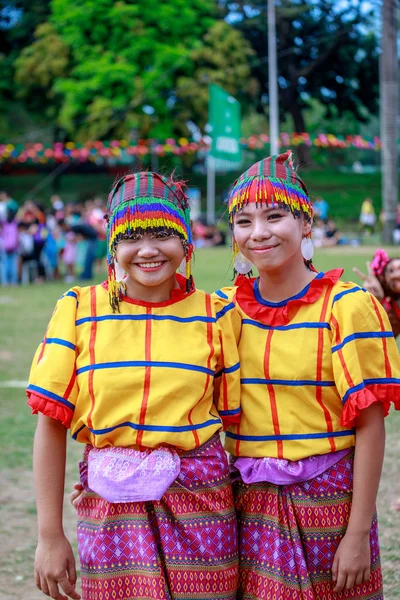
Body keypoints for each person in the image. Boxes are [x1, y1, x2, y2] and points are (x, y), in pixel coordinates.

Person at [27, 171, 240, 600]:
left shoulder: (218, 314)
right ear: (112, 246)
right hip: (110, 515)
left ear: (186, 242)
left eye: (163, 233)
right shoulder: (77, 310)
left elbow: (239, 422)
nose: (147, 250)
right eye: (131, 236)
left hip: (203, 507)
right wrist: (50, 535)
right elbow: (51, 424)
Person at [215, 150, 400, 599]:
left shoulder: (348, 306)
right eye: (243, 221)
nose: (258, 233)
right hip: (248, 506)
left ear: (306, 225)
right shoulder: (221, 309)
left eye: (274, 216)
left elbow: (370, 426)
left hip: (332, 504)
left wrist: (356, 534)